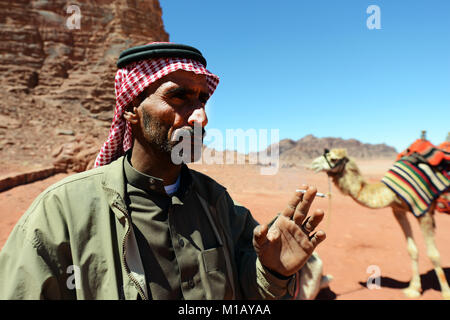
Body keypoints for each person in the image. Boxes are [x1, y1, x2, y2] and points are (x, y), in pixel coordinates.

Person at [0, 42, 327, 300]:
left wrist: (274, 273)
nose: (201, 118)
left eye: (201, 100)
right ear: (130, 109)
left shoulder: (217, 203)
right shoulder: (62, 210)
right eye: (179, 97)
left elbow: (249, 291)